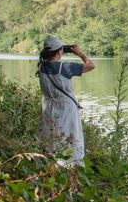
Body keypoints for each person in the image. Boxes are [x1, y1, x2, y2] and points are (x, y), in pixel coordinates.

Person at [36, 35, 95, 166]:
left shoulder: (41, 66)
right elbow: (91, 65)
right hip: (65, 108)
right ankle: (72, 168)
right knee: (71, 137)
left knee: (50, 136)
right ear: (58, 51)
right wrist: (80, 54)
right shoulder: (65, 67)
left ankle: (52, 166)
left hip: (47, 106)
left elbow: (45, 60)